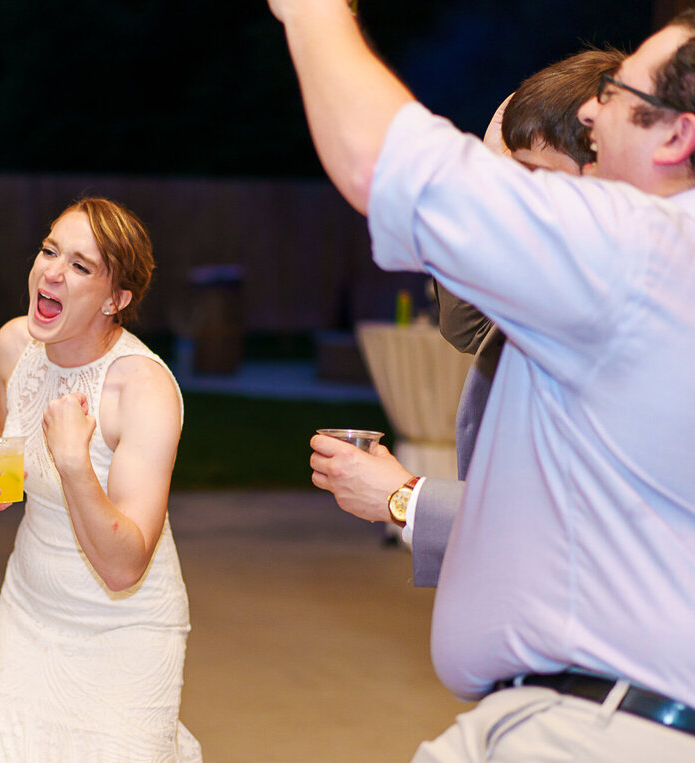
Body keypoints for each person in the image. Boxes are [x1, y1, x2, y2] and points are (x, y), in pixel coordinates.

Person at [269, 1, 695, 759]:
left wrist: (314, 14)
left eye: (621, 98)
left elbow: (384, 163)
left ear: (676, 134)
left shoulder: (643, 257)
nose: (595, 108)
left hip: (590, 729)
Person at [309, 48, 623, 587]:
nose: (509, 198)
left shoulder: (623, 312)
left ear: (601, 171)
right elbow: (469, 326)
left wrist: (406, 498)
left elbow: (581, 528)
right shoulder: (566, 277)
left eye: (530, 176)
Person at [0, 198, 200, 761]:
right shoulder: (14, 347)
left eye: (80, 265)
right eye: (50, 250)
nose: (51, 271)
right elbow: (14, 469)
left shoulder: (141, 389)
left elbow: (123, 567)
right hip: (28, 610)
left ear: (116, 300)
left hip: (125, 630)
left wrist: (73, 462)